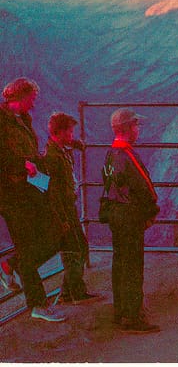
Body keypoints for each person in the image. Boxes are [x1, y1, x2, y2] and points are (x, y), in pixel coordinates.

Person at [0, 78, 66, 322]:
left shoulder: (22, 120)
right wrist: (21, 165)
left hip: (29, 187)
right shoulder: (2, 121)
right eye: (32, 98)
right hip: (10, 194)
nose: (35, 103)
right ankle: (38, 304)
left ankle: (11, 265)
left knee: (53, 235)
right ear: (21, 96)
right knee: (28, 245)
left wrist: (38, 164)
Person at [104, 108, 160, 334]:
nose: (138, 130)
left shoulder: (110, 154)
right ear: (127, 129)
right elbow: (144, 186)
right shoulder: (127, 155)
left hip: (115, 214)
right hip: (130, 216)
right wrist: (151, 211)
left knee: (119, 263)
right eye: (136, 125)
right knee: (133, 266)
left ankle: (121, 311)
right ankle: (134, 315)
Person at [43, 112, 101, 304]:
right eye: (69, 131)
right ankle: (75, 292)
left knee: (76, 247)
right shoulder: (52, 157)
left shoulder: (59, 150)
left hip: (69, 207)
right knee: (75, 248)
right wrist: (62, 219)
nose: (72, 134)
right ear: (58, 132)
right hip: (64, 210)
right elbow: (53, 192)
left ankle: (69, 292)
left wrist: (74, 143)